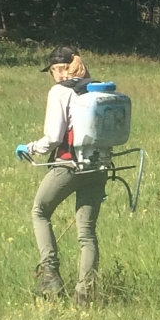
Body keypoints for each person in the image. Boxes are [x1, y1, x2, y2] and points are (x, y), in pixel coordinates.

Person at [19, 45, 107, 304]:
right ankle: (85, 294)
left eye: (55, 70)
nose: (54, 75)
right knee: (87, 232)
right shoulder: (98, 88)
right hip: (99, 166)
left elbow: (54, 137)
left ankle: (50, 277)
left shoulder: (60, 91)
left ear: (59, 69)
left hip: (69, 164)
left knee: (40, 211)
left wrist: (31, 149)